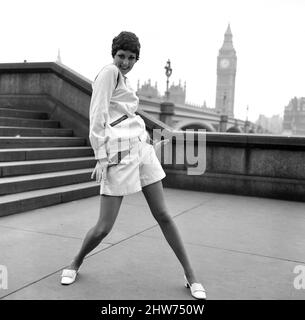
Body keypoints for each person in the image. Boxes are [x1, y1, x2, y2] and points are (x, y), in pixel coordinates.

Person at [60, 31, 206, 300]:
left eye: (131, 58)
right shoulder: (108, 73)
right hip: (117, 156)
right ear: (113, 55)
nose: (125, 62)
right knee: (104, 227)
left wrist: (145, 135)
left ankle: (191, 275)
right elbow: (97, 117)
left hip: (142, 149)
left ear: (137, 59)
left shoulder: (124, 80)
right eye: (121, 56)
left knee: (163, 215)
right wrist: (101, 159)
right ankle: (75, 262)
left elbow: (127, 114)